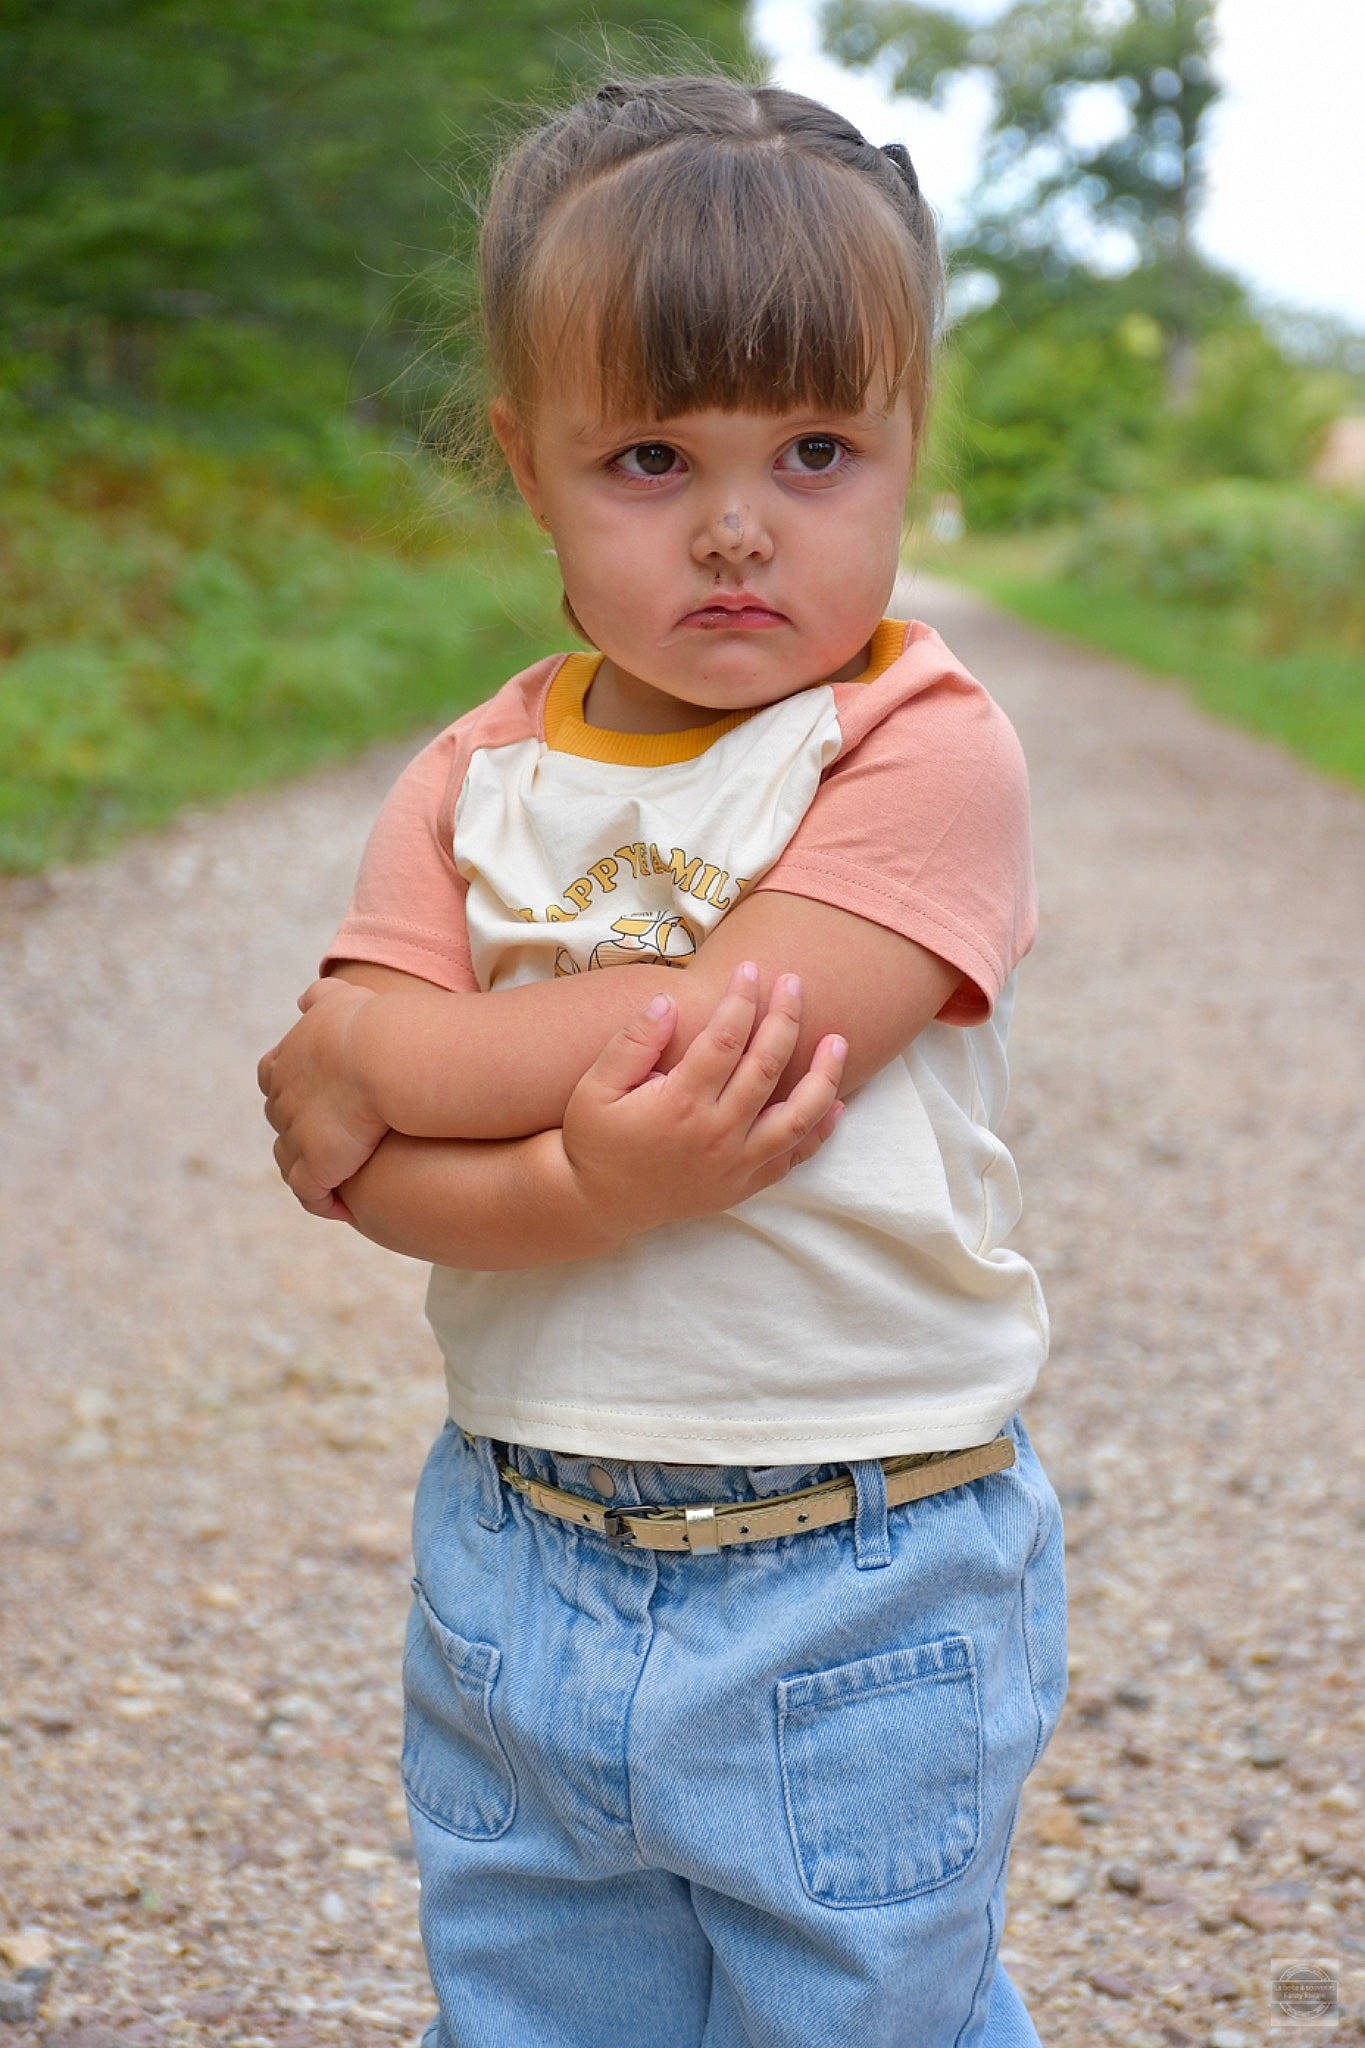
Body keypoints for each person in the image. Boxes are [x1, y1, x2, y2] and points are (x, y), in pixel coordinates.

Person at [258, 72, 1067, 2048]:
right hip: (516, 1546)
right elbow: (350, 1165)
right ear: (522, 462)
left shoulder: (913, 744)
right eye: (646, 456)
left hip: (849, 1572)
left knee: (861, 2015)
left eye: (812, 449)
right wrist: (572, 1184)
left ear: (900, 450)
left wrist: (377, 1038)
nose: (734, 525)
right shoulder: (474, 776)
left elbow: (712, 1034)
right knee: (536, 2010)